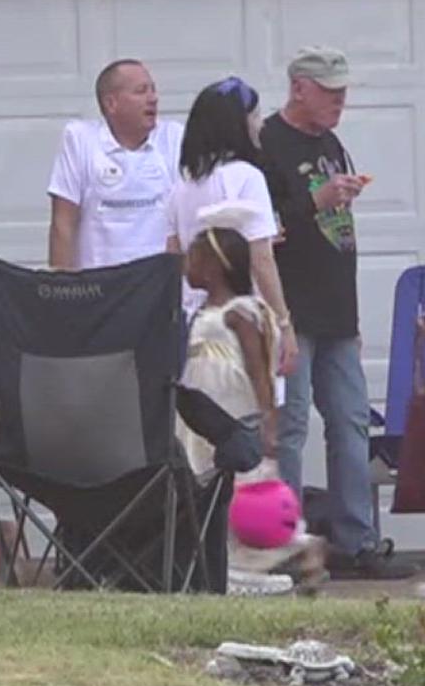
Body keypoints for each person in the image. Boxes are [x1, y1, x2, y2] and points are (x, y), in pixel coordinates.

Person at [261, 46, 412, 579]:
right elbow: (263, 228)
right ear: (299, 87)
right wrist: (315, 202)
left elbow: (337, 227)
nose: (339, 101)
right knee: (293, 425)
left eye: (343, 91)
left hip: (336, 307)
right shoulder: (267, 145)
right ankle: (289, 543)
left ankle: (356, 540)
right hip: (292, 307)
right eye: (329, 91)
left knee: (350, 421)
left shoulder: (332, 143)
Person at [178, 218, 326, 595]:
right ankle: (229, 568)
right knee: (210, 498)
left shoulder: (242, 311)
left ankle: (298, 550)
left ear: (214, 266)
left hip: (233, 420)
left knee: (244, 497)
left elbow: (260, 370)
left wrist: (268, 418)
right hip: (200, 424)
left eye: (192, 258)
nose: (185, 266)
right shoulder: (199, 314)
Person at [163, 77, 294, 333]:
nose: (261, 124)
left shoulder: (181, 186)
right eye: (255, 116)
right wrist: (283, 322)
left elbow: (174, 257)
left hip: (196, 322)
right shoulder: (247, 177)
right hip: (243, 322)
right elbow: (261, 260)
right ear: (236, 126)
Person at [47, 59, 184, 271]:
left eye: (153, 90)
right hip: (98, 287)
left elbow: (182, 222)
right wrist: (60, 290)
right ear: (111, 103)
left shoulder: (173, 138)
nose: (153, 99)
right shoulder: (81, 140)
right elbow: (63, 223)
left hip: (156, 287)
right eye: (141, 91)